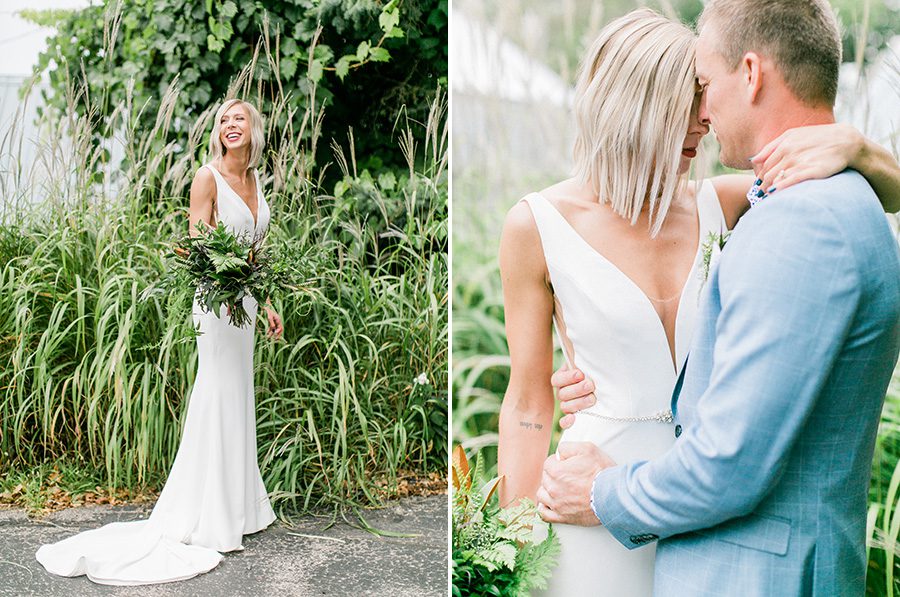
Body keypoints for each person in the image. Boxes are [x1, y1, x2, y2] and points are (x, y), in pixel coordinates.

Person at [497, 7, 900, 597]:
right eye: (690, 100)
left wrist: (860, 148)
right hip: (595, 491)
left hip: (700, 511)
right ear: (635, 108)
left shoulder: (728, 200)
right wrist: (506, 543)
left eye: (704, 92)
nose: (705, 119)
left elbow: (869, 197)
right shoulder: (535, 226)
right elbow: (527, 400)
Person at [35, 98, 282, 585]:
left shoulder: (255, 182)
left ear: (255, 130)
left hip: (247, 304)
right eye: (224, 121)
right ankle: (208, 513)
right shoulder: (206, 177)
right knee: (215, 391)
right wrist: (229, 287)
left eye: (240, 119)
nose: (231, 126)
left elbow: (256, 253)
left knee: (239, 395)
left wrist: (267, 301)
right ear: (218, 133)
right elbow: (196, 243)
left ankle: (238, 508)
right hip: (216, 303)